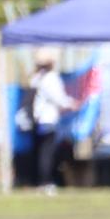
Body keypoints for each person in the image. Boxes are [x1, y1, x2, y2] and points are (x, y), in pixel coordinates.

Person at [29, 47, 77, 193]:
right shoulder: (50, 78)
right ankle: (46, 182)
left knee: (42, 152)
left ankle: (43, 181)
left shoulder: (36, 78)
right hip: (48, 120)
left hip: (38, 120)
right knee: (47, 153)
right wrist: (71, 103)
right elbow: (58, 98)